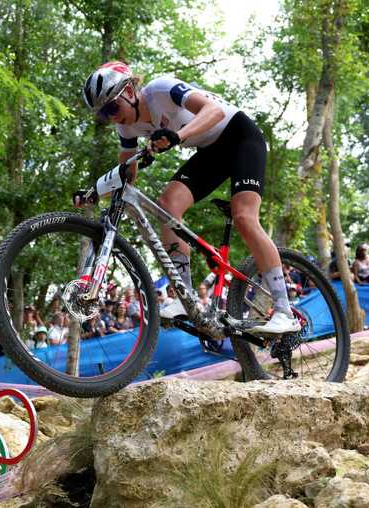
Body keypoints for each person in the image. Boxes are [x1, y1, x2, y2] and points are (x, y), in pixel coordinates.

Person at [79, 62, 299, 334]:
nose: (111, 118)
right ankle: (186, 298)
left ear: (128, 91)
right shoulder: (126, 128)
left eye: (112, 108)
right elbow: (126, 175)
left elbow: (214, 111)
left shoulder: (160, 90)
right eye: (103, 115)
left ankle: (284, 311)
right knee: (168, 205)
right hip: (211, 152)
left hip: (240, 136)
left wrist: (177, 136)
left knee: (244, 216)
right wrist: (94, 192)